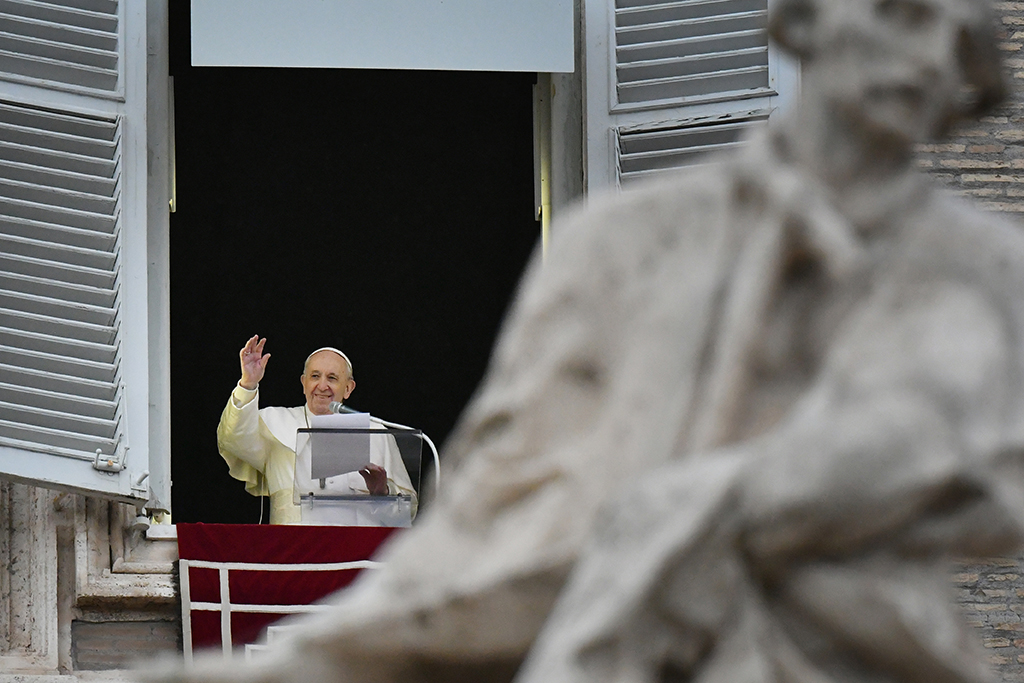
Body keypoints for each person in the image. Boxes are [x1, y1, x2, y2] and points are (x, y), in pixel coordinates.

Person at [163, 0, 1024, 681]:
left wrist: (750, 498)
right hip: (606, 622)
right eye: (902, 11)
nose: (927, 54)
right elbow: (498, 510)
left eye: (960, 39)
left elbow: (999, 480)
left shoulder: (984, 268)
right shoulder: (615, 245)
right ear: (806, 20)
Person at [216, 336, 416, 525]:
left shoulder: (375, 432)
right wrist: (248, 384)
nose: (322, 385)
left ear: (348, 388)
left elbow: (408, 513)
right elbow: (232, 437)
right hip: (294, 553)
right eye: (315, 376)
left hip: (355, 556)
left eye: (332, 378)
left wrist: (382, 492)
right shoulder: (273, 422)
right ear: (303, 383)